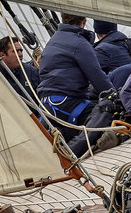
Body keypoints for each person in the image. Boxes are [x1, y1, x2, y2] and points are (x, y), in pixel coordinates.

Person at [36, 15, 114, 156]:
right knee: (107, 110)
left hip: (47, 106)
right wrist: (116, 97)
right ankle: (72, 151)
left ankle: (60, 140)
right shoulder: (80, 44)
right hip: (69, 104)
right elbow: (99, 79)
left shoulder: (51, 42)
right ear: (84, 20)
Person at [0, 35, 42, 104]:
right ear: (2, 56)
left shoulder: (32, 72)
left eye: (21, 51)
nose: (20, 54)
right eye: (16, 51)